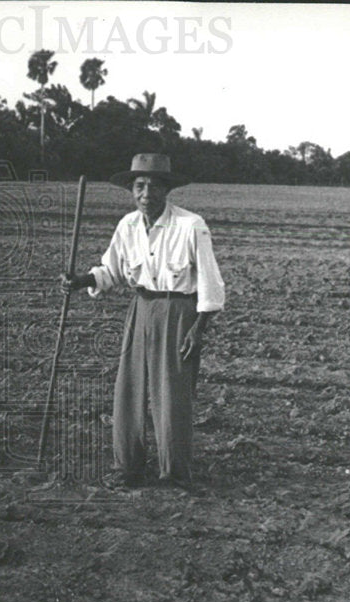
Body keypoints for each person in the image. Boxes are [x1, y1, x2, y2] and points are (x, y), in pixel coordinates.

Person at [62, 153, 224, 488]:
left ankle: (175, 472)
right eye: (139, 186)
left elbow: (210, 282)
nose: (145, 193)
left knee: (172, 393)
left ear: (166, 189)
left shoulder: (191, 225)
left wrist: (198, 329)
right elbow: (111, 271)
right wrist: (80, 281)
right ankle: (128, 467)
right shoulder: (128, 225)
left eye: (153, 185)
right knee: (129, 388)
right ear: (131, 190)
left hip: (179, 311)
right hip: (141, 307)